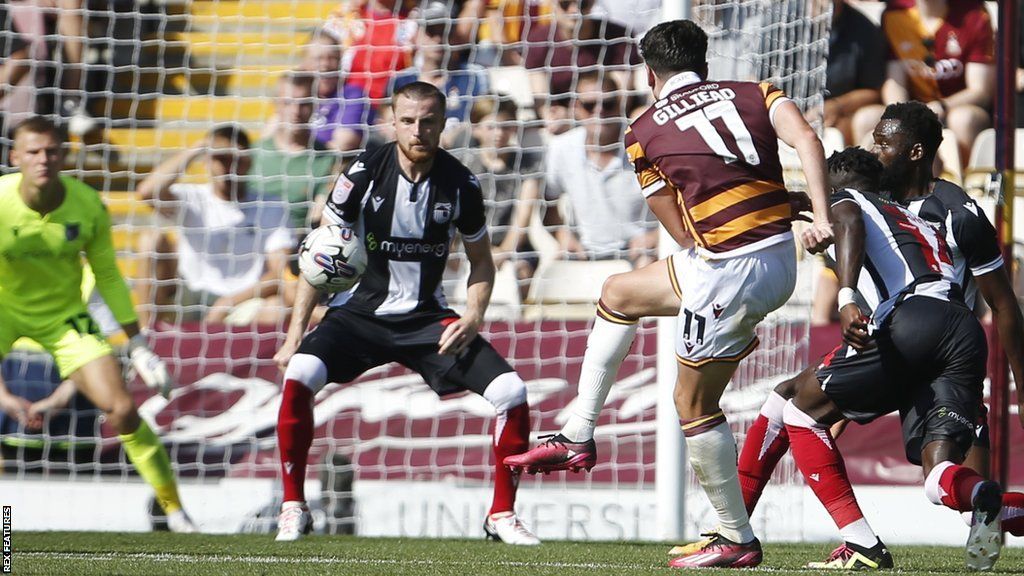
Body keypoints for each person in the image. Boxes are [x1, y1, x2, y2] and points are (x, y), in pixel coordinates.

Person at [505, 20, 834, 568]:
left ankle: (736, 538)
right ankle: (577, 432)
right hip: (771, 255)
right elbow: (807, 138)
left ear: (649, 73)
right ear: (703, 63)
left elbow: (677, 226)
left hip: (730, 270)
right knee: (620, 293)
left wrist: (707, 239)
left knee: (692, 405)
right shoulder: (756, 91)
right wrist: (814, 214)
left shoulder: (643, 129)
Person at [729, 103, 1024, 565]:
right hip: (927, 337)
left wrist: (1020, 390)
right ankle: (735, 528)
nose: (875, 150)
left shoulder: (957, 213)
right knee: (943, 481)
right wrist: (804, 206)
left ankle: (750, 533)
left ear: (916, 151)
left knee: (795, 405)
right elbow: (846, 203)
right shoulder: (883, 199)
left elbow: (1004, 303)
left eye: (884, 143)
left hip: (921, 331)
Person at [271, 82, 538, 545]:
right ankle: (293, 506)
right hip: (359, 315)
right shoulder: (362, 172)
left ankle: (501, 515)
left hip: (427, 320)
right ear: (393, 122)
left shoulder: (462, 183)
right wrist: (295, 333)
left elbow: (481, 263)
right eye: (409, 121)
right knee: (300, 372)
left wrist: (472, 317)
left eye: (429, 121)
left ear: (442, 124)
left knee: (511, 392)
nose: (419, 130)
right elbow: (321, 257)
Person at [778, 147, 1007, 570]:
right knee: (939, 481)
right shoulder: (914, 215)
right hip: (964, 330)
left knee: (798, 409)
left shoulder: (849, 204)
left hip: (912, 321)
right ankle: (989, 499)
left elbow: (845, 218)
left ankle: (854, 541)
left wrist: (845, 298)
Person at [0, 116, 195, 532]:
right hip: (4, 310)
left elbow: (107, 276)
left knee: (123, 409)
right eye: (33, 151)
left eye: (52, 151)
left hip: (64, 316)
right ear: (15, 157)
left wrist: (138, 344)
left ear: (65, 155)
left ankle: (175, 511)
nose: (43, 160)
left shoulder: (87, 204)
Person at [135, 124, 294, 327]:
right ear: (206, 162)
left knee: (277, 309)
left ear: (248, 162)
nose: (228, 167)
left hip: (242, 300)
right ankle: (145, 340)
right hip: (189, 296)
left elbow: (280, 271)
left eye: (235, 159)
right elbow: (146, 192)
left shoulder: (271, 207)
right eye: (221, 158)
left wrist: (227, 303)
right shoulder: (192, 197)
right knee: (150, 239)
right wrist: (200, 147)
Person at [853, 0, 995, 163]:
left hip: (954, 107)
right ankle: (868, 182)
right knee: (866, 118)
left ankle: (966, 184)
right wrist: (902, 112)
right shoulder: (896, 14)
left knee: (964, 119)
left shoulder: (975, 15)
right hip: (912, 106)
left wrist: (941, 106)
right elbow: (894, 81)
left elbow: (980, 91)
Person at [542, 73, 657, 266]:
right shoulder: (560, 149)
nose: (599, 111)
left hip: (638, 253)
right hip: (584, 254)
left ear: (621, 104)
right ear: (576, 108)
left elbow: (681, 202)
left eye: (608, 104)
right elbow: (547, 205)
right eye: (589, 105)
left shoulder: (645, 145)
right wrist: (564, 237)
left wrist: (655, 237)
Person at [460, 97, 542, 298]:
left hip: (514, 247)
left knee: (522, 272)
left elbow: (523, 220)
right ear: (476, 128)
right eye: (491, 127)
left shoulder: (526, 164)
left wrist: (504, 251)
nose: (499, 133)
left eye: (505, 127)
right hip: (468, 244)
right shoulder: (463, 163)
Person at [251, 72, 338, 230]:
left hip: (297, 243)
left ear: (314, 105)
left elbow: (317, 219)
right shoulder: (252, 153)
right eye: (288, 103)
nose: (296, 111)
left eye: (304, 103)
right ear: (276, 104)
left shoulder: (328, 160)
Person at [818, 0, 885, 144]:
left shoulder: (864, 30)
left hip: (837, 115)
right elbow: (759, 80)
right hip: (785, 108)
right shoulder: (782, 22)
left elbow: (873, 89)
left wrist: (837, 106)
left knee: (839, 133)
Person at [302, 29, 370, 153]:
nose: (325, 64)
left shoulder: (351, 96)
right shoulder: (297, 96)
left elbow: (344, 144)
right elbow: (270, 135)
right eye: (319, 58)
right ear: (304, 64)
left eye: (332, 58)